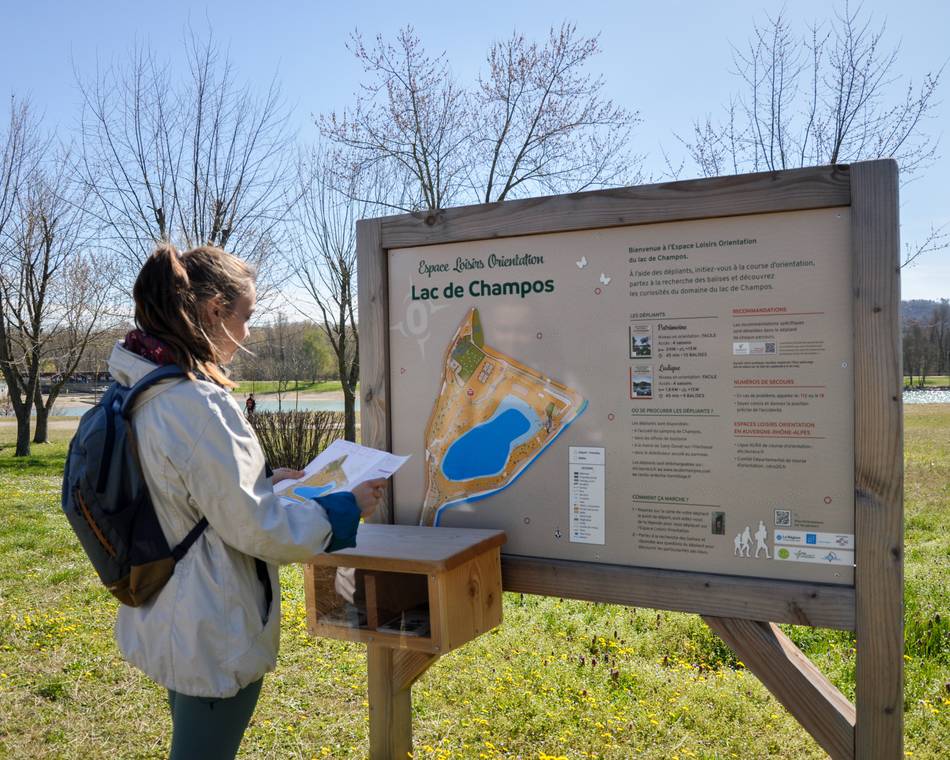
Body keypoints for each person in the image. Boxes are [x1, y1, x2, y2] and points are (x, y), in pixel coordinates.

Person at [110, 243, 385, 760]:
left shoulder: (142, 384)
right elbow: (258, 528)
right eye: (247, 316)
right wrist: (344, 507)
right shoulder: (198, 403)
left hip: (173, 607)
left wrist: (261, 476)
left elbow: (184, 486)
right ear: (214, 311)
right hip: (211, 624)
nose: (249, 332)